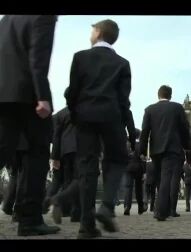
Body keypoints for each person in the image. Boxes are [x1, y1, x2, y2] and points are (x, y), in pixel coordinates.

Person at [65, 19, 132, 238]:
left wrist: (75, 115)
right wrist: (122, 124)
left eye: (92, 29)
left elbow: (72, 92)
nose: (90, 32)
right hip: (111, 116)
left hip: (84, 117)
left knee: (87, 168)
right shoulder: (122, 63)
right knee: (116, 161)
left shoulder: (80, 57)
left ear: (99, 32)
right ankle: (107, 207)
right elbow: (124, 99)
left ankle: (86, 225)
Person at [0, 15, 59, 236]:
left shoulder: (8, 18)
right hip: (26, 93)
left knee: (4, 148)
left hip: (3, 91)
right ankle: (29, 219)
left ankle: (28, 216)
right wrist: (42, 96)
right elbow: (38, 57)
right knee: (37, 153)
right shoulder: (43, 16)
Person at [139, 85, 190, 221]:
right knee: (166, 179)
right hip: (172, 148)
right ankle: (161, 211)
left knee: (160, 179)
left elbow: (145, 132)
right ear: (170, 95)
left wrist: (142, 150)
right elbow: (184, 128)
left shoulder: (149, 109)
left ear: (158, 95)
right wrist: (186, 145)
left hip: (155, 150)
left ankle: (163, 208)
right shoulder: (177, 107)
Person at [43, 105, 80, 224]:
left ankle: (65, 210)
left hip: (65, 151)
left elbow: (56, 136)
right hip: (81, 149)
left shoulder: (60, 114)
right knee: (79, 180)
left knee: (67, 181)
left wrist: (55, 156)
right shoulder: (83, 109)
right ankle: (75, 211)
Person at [124, 128, 147, 216]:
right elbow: (143, 159)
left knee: (128, 188)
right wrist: (144, 172)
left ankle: (127, 206)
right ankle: (140, 207)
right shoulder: (140, 145)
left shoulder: (127, 144)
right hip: (138, 168)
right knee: (138, 189)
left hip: (128, 168)